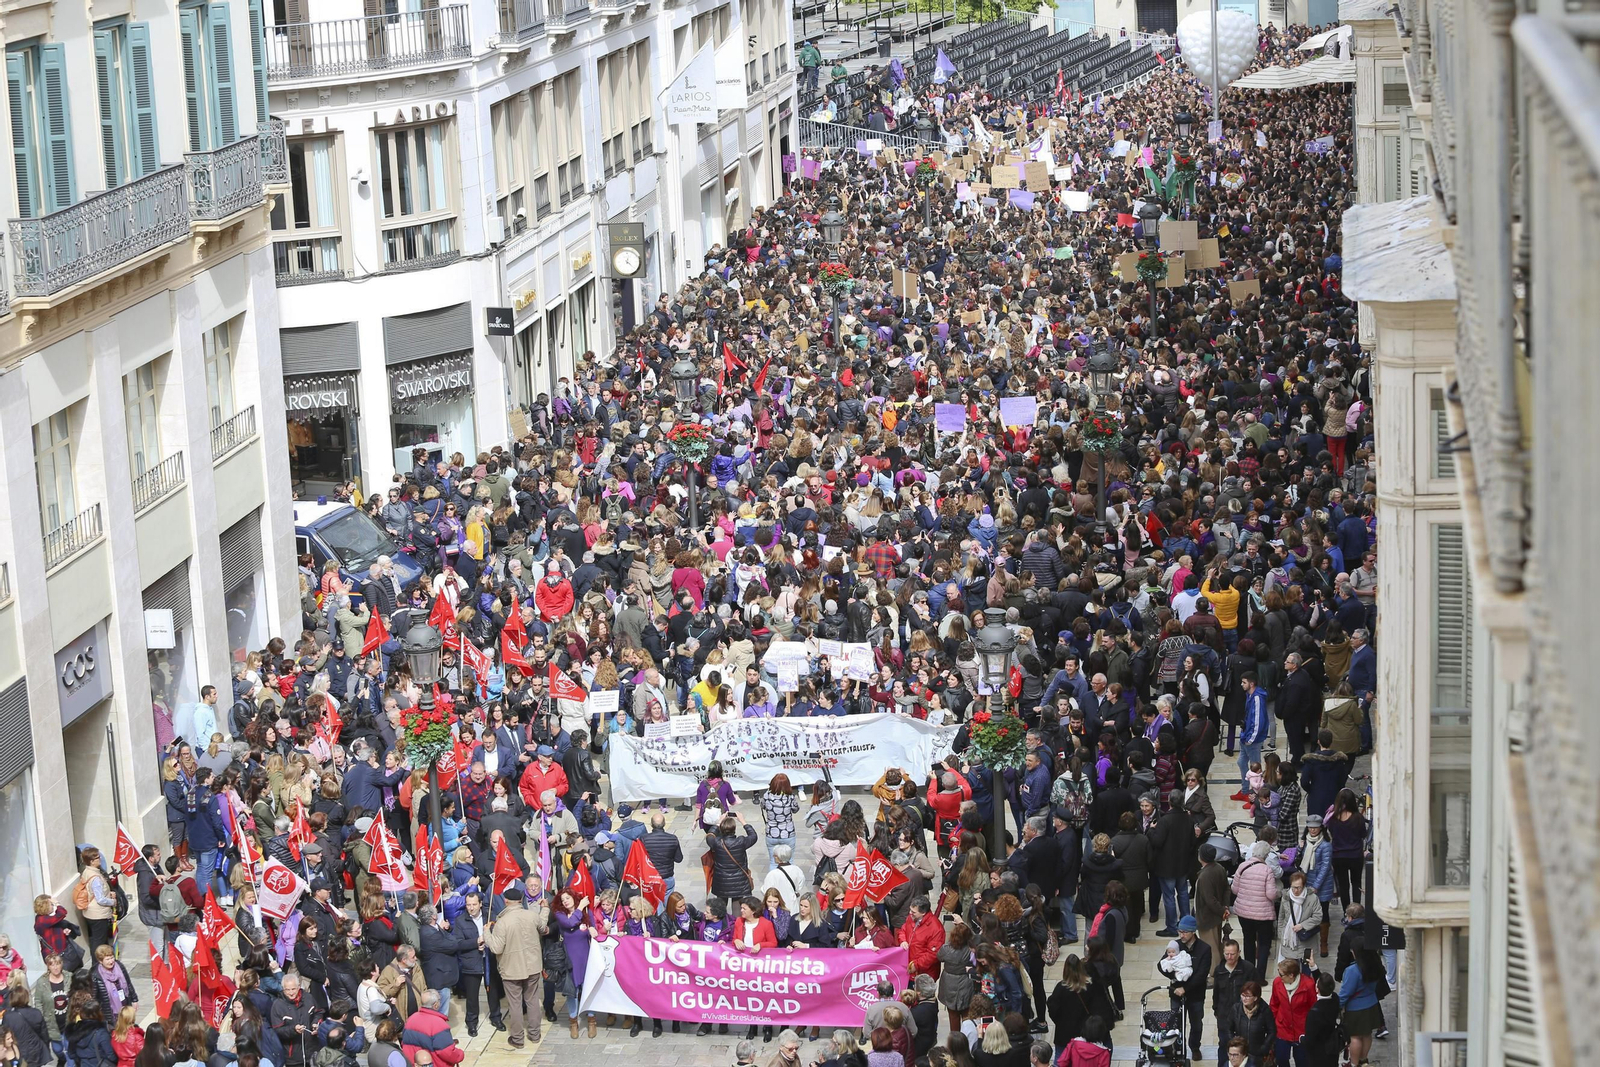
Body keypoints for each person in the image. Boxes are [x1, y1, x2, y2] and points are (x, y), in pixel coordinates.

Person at [484, 884, 544, 1047]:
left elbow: (496, 948)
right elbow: (543, 927)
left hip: (512, 971)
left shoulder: (502, 922)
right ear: (521, 900)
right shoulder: (531, 915)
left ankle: (517, 1039)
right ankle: (535, 1035)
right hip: (532, 967)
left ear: (505, 902)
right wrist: (544, 910)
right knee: (532, 1001)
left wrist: (486, 933)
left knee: (515, 1004)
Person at [1337, 950, 1385, 1067]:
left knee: (1355, 1037)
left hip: (1356, 1009)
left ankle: (1354, 1063)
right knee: (1367, 1034)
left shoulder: (1352, 970)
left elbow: (1345, 993)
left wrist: (1337, 1006)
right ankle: (1363, 1060)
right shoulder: (1375, 965)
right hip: (1372, 1003)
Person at [1268, 958, 1316, 1067]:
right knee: (1281, 1059)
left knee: (1302, 1061)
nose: (1279, 977)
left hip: (1301, 1030)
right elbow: (1274, 1004)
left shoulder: (1308, 985)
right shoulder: (1277, 983)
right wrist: (1273, 1024)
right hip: (1282, 1027)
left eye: (1281, 975)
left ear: (1291, 975)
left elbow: (1313, 1008)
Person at [1225, 982, 1276, 1067]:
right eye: (1242, 995)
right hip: (1240, 1053)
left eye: (1248, 996)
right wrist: (1234, 1043)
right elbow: (1228, 1028)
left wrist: (1264, 1048)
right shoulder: (1236, 1009)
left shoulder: (1265, 1010)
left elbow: (1272, 1031)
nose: (1244, 999)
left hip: (1257, 1053)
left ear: (1255, 998)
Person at [1300, 974, 1342, 1067]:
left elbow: (1309, 1040)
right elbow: (1326, 984)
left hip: (1318, 1054)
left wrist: (1301, 1038)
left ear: (1317, 989)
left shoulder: (1314, 1012)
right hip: (1332, 1049)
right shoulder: (1335, 999)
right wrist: (1314, 968)